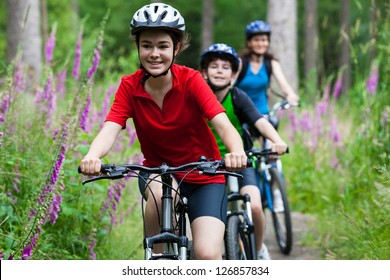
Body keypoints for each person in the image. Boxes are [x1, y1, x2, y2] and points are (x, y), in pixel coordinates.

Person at [79, 3, 247, 260]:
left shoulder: (191, 81)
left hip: (204, 176)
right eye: (147, 45)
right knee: (158, 196)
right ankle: (156, 262)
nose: (154, 53)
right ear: (138, 47)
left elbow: (223, 124)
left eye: (163, 46)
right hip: (159, 172)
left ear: (176, 48)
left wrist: (236, 152)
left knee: (207, 254)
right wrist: (93, 156)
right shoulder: (129, 86)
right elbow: (110, 128)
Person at [199, 43, 288, 260]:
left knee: (255, 205)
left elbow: (259, 121)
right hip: (208, 164)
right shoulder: (197, 96)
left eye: (225, 67)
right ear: (204, 72)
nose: (219, 70)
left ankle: (258, 249)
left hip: (242, 160)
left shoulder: (237, 97)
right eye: (214, 66)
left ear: (234, 74)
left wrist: (276, 140)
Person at [235, 20, 299, 116]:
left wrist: (291, 95)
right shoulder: (240, 62)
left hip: (262, 114)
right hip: (239, 114)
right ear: (249, 42)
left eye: (264, 40)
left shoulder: (271, 63)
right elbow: (229, 85)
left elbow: (284, 86)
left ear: (268, 42)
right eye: (256, 40)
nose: (260, 44)